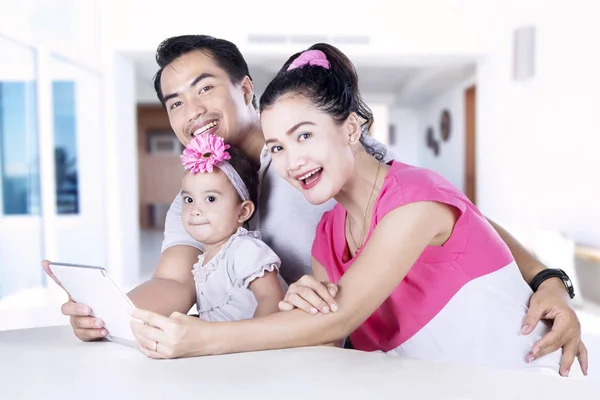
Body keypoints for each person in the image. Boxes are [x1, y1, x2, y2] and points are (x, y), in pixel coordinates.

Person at [42, 35, 586, 375]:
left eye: (205, 88)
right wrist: (113, 312)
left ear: (245, 88)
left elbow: (456, 212)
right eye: (175, 101)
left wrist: (548, 278)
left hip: (465, 358)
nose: (193, 110)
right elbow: (175, 280)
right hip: (344, 359)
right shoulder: (214, 194)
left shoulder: (354, 170)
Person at [178, 134, 286, 322]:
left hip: (256, 348)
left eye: (210, 199)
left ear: (243, 212)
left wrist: (250, 345)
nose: (195, 210)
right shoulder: (205, 261)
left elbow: (273, 300)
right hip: (227, 350)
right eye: (189, 200)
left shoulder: (245, 249)